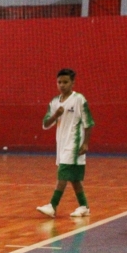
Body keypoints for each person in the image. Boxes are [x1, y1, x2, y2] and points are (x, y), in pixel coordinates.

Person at [36, 69, 95, 218]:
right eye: (59, 82)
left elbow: (89, 123)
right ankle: (84, 206)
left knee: (63, 173)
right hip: (61, 145)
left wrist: (86, 143)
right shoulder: (54, 102)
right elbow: (45, 124)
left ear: (72, 83)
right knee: (74, 179)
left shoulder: (79, 99)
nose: (62, 85)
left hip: (74, 144)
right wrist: (56, 115)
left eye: (65, 82)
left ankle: (52, 205)